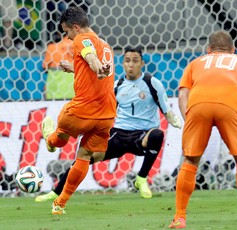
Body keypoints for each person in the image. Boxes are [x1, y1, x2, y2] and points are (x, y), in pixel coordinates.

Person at [36, 46, 182, 202]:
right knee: (84, 157)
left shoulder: (152, 83)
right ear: (123, 64)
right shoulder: (117, 85)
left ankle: (142, 178)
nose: (131, 65)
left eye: (135, 61)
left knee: (157, 135)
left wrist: (173, 119)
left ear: (142, 64)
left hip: (142, 136)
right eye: (127, 61)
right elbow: (103, 109)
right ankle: (56, 192)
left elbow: (165, 108)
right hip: (118, 135)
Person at [169, 30, 237, 228]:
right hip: (229, 104)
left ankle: (179, 218)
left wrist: (190, 120)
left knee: (190, 160)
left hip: (198, 105)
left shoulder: (195, 63)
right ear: (232, 50)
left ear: (208, 49)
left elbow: (182, 96)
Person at [41, 6, 116, 215]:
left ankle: (50, 140)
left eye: (66, 31)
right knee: (83, 156)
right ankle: (60, 204)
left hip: (83, 109)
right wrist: (76, 67)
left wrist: (95, 65)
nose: (67, 36)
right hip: (106, 115)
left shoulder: (80, 39)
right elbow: (95, 66)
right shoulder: (106, 46)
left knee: (60, 137)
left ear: (75, 27)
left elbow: (90, 57)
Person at [43, 34, 75, 100]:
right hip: (75, 91)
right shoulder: (80, 47)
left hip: (54, 92)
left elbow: (44, 66)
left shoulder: (52, 47)